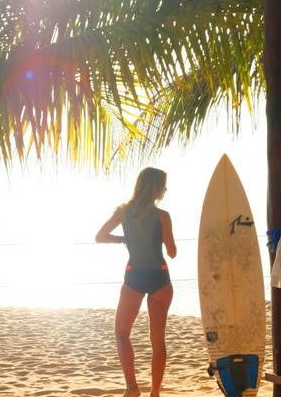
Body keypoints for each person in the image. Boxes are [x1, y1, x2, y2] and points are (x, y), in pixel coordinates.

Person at [95, 167, 177, 397]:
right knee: (158, 341)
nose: (165, 189)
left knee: (121, 334)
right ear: (156, 187)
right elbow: (172, 252)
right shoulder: (163, 216)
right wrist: (163, 239)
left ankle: (132, 387)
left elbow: (100, 237)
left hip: (134, 276)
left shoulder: (124, 212)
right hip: (160, 278)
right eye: (164, 185)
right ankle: (155, 392)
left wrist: (125, 238)